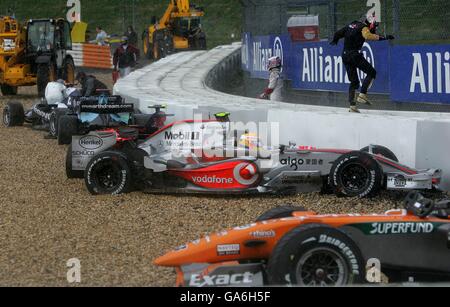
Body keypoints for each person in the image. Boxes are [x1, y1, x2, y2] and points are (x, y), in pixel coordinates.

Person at [331, 15, 395, 113]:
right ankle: (362, 95)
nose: (374, 29)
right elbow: (367, 35)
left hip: (345, 55)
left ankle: (352, 106)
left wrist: (335, 40)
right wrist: (384, 37)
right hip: (354, 55)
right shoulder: (364, 28)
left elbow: (338, 33)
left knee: (354, 82)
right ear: (371, 24)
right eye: (374, 26)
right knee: (371, 72)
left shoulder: (351, 24)